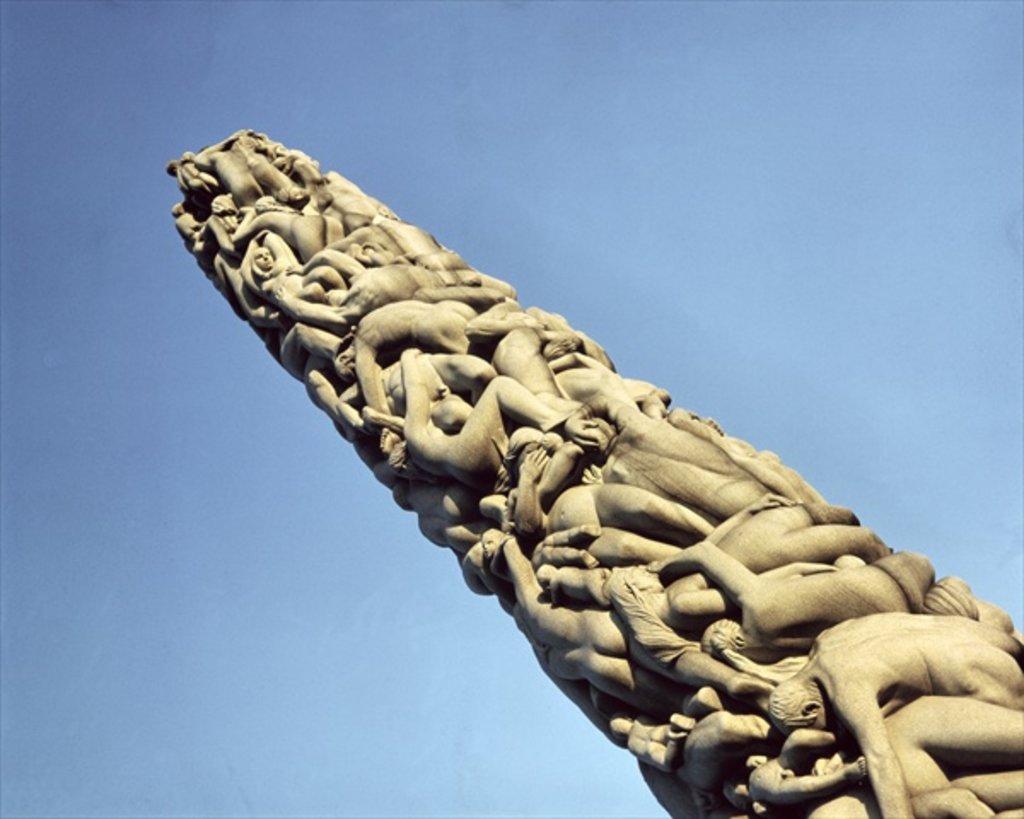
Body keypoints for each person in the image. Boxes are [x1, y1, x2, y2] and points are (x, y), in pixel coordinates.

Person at [767, 613, 1024, 819]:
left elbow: (880, 759)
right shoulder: (829, 639)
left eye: (820, 725)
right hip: (986, 643)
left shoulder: (846, 686)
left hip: (986, 681)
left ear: (811, 709)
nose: (832, 731)